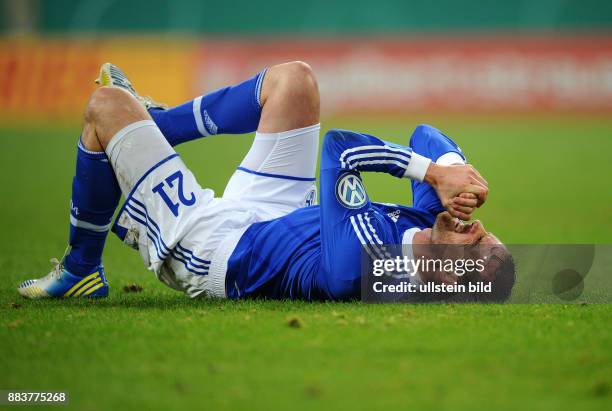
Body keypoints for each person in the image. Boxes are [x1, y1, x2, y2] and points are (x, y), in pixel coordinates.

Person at [18, 62, 513, 301]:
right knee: (294, 81)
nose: (479, 233)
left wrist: (431, 173)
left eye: (476, 255)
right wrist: (457, 174)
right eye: (490, 237)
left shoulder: (360, 270)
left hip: (222, 249)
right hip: (280, 216)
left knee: (104, 109)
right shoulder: (433, 226)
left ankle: (81, 269)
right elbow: (427, 134)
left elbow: (340, 149)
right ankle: (156, 124)